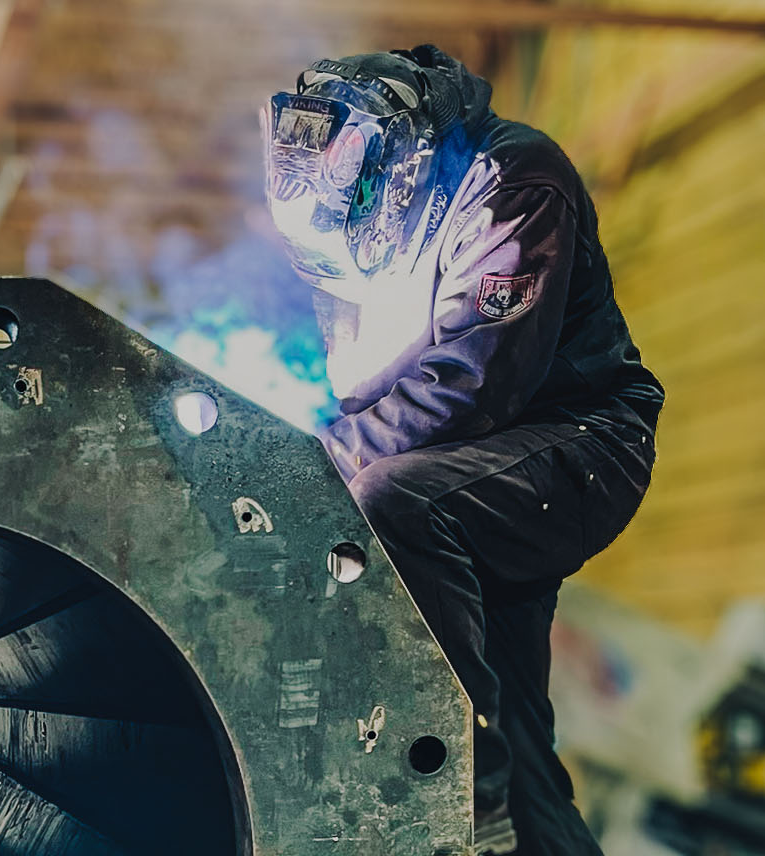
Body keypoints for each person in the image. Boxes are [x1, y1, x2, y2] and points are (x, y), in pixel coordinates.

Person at [264, 45, 663, 855]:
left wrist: (311, 464)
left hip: (579, 443)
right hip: (468, 476)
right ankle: (511, 819)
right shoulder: (350, 232)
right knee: (516, 740)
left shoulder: (513, 182)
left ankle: (457, 807)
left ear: (397, 167)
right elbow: (361, 395)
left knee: (392, 503)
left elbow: (475, 384)